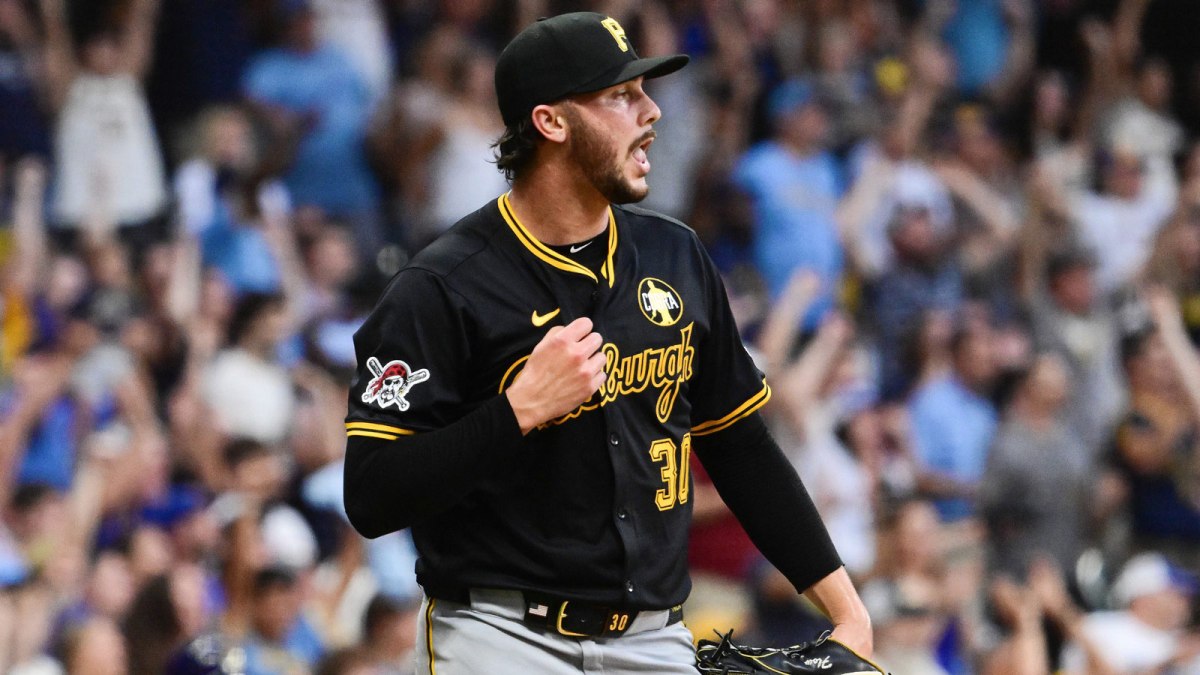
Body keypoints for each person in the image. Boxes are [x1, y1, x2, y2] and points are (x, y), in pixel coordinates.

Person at [342, 11, 873, 674]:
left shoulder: (675, 253)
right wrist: (517, 411)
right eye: (621, 96)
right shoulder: (441, 285)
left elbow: (738, 444)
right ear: (552, 122)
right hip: (502, 635)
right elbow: (369, 495)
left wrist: (848, 610)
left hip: (653, 636)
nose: (651, 111)